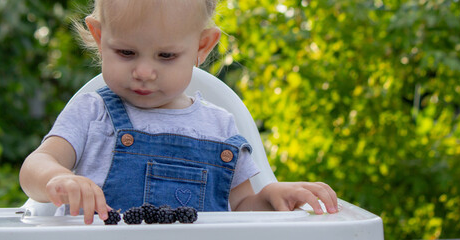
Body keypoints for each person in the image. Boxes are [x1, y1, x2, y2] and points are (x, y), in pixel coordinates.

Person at [19, 0, 339, 225]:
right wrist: (57, 177)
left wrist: (271, 197)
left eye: (166, 55)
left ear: (203, 47)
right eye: (126, 52)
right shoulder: (92, 111)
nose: (144, 71)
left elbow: (241, 208)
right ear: (101, 38)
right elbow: (35, 166)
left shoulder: (220, 126)